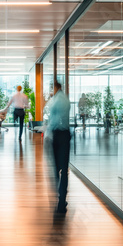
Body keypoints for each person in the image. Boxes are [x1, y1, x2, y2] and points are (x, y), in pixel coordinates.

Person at [48, 82, 71, 214]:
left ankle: (60, 200)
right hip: (65, 135)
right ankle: (62, 198)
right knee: (64, 169)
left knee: (57, 169)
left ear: (55, 88)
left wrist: (47, 132)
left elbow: (55, 120)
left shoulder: (57, 100)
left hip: (58, 135)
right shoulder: (65, 99)